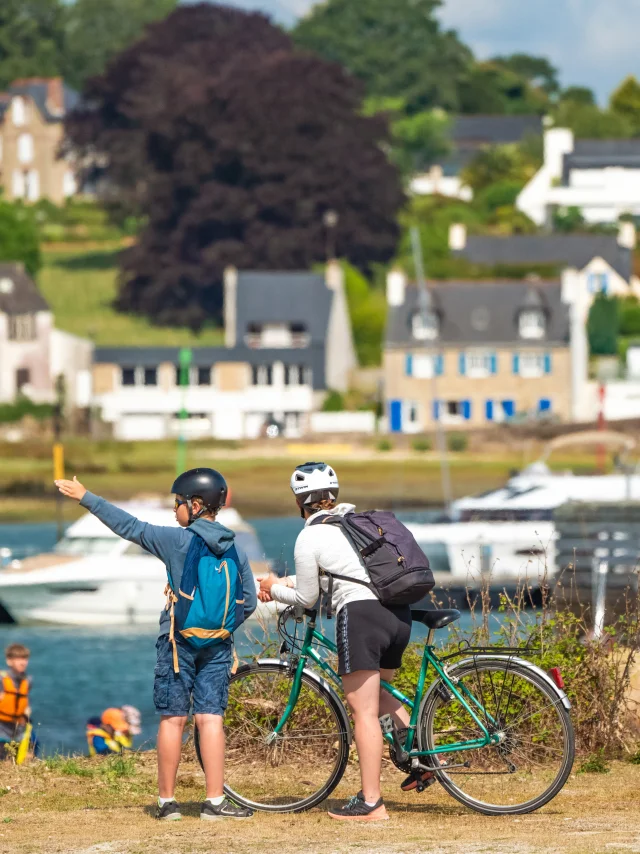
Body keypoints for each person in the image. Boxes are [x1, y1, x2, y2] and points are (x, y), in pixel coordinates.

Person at [56, 468, 257, 821]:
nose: (174, 509)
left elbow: (129, 527)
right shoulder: (234, 547)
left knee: (173, 720)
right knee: (211, 719)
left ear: (195, 505)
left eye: (177, 502)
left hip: (177, 642)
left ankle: (168, 803)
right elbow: (249, 601)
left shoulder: (175, 541)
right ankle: (214, 802)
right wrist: (221, 627)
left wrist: (87, 497)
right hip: (218, 645)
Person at [258, 462, 416, 822]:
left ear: (300, 502)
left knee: (362, 711)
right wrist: (285, 581)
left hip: (362, 617)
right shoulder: (355, 524)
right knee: (377, 697)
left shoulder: (309, 536)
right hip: (398, 612)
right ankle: (420, 758)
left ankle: (371, 803)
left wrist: (274, 591)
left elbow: (308, 599)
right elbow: (340, 572)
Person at [0, 643, 32, 760]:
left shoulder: (27, 680)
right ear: (9, 661)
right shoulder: (2, 679)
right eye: (18, 659)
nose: (23, 662)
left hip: (18, 729)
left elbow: (24, 702)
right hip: (1, 728)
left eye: (25, 658)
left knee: (21, 761)